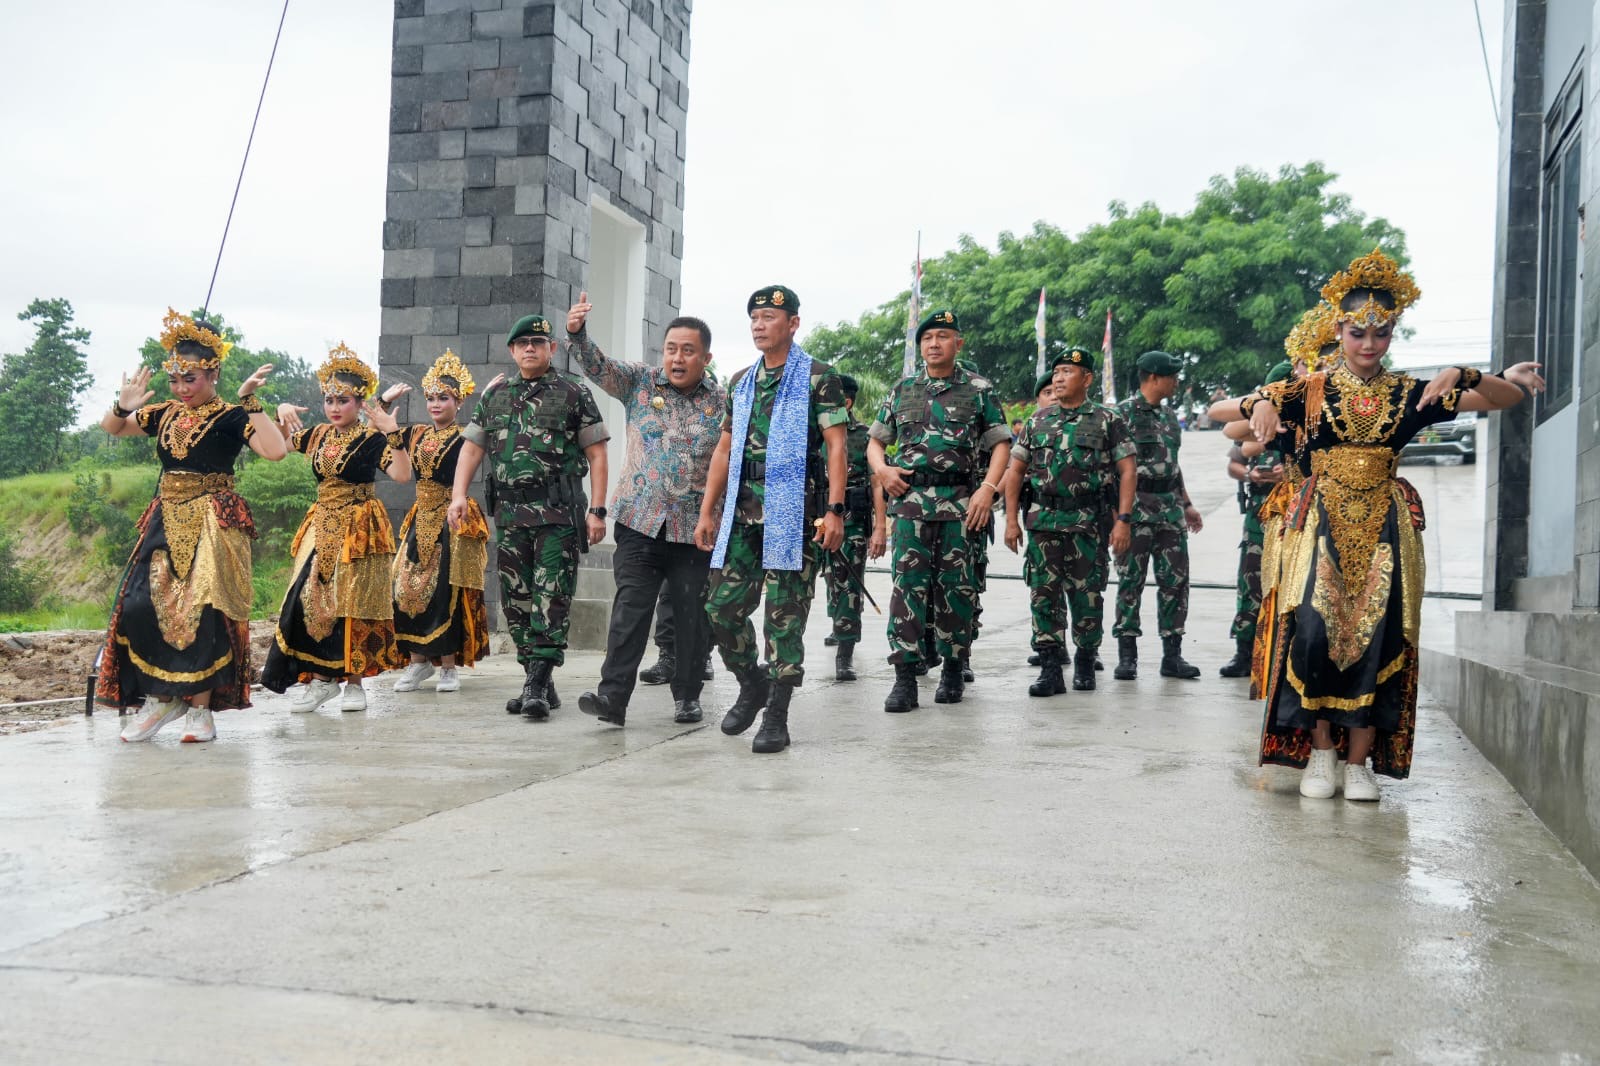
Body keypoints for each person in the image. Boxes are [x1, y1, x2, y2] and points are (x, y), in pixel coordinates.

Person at [1213, 248, 1543, 800]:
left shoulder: (1411, 393)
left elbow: (1505, 400)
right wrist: (1259, 399)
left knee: (1381, 637)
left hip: (1386, 526)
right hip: (1319, 522)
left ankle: (1359, 763)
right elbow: (1222, 415)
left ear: (1392, 333)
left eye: (1381, 333)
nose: (1368, 345)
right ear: (1339, 330)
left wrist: (1467, 372)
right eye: (1358, 332)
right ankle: (1322, 754)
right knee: (1314, 635)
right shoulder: (1309, 390)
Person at [97, 310, 288, 742]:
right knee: (141, 605)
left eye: (192, 379)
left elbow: (275, 451)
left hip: (213, 519)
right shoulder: (163, 413)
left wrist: (251, 400)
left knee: (202, 611)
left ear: (213, 372)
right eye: (176, 380)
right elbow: (114, 428)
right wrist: (123, 405)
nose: (182, 389)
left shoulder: (232, 416)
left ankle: (200, 712)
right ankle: (162, 699)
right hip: (165, 515)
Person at [693, 284, 849, 754]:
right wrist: (708, 510)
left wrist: (835, 511)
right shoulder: (741, 381)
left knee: (784, 620)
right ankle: (751, 683)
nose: (760, 325)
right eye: (754, 318)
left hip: (795, 516)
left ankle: (777, 716)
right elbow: (724, 447)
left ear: (793, 324)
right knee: (720, 608)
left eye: (770, 317)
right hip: (742, 515)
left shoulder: (820, 378)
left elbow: (838, 446)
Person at [564, 292, 725, 727]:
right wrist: (577, 333)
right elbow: (599, 366)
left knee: (691, 617)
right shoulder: (639, 382)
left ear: (705, 357)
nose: (677, 358)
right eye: (671, 349)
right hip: (639, 521)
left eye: (687, 351)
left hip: (695, 529)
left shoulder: (723, 402)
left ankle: (687, 696)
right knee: (629, 613)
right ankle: (611, 699)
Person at [449, 313, 609, 720]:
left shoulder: (573, 393)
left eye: (538, 342)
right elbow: (471, 449)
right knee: (518, 601)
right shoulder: (496, 395)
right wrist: (457, 496)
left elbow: (597, 453)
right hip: (512, 514)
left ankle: (536, 683)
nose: (530, 349)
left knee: (551, 596)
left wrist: (598, 510)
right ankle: (538, 677)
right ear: (512, 351)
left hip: (558, 514)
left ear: (552, 348)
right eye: (523, 344)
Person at [868, 309, 1011, 711]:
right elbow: (876, 442)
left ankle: (952, 667)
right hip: (911, 505)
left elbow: (1001, 444)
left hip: (961, 506)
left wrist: (987, 489)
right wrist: (883, 469)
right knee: (906, 591)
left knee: (957, 590)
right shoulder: (903, 389)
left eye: (943, 336)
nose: (934, 344)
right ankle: (905, 678)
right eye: (927, 337)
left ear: (958, 343)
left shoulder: (978, 389)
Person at [261, 344, 411, 711]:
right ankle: (320, 679)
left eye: (342, 400)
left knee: (354, 601)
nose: (334, 407)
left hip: (360, 526)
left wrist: (394, 433)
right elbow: (274, 446)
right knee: (307, 598)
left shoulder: (373, 438)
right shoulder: (316, 435)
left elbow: (403, 475)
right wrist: (279, 415)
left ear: (360, 403)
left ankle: (355, 683)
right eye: (329, 399)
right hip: (321, 522)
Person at [1004, 348, 1135, 695]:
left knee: (1087, 595)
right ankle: (1050, 668)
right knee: (1042, 595)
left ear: (1087, 379)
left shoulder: (1107, 420)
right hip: (1044, 521)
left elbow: (1127, 470)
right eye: (1057, 372)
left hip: (1087, 522)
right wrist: (1011, 521)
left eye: (1068, 372)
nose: (1059, 379)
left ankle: (1086, 661)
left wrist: (1123, 520)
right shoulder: (1037, 422)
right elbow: (1015, 471)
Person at [386, 349, 491, 694]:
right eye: (430, 398)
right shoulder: (415, 434)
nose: (434, 404)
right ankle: (417, 664)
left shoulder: (466, 436)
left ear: (458, 401)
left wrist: (488, 399)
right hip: (420, 519)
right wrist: (382, 401)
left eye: (442, 398)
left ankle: (448, 667)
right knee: (404, 588)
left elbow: (484, 431)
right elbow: (379, 430)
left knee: (446, 591)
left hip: (452, 516)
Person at [1112, 351, 1204, 681]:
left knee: (1175, 582)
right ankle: (1127, 656)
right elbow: (1113, 469)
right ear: (1153, 377)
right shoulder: (1121, 414)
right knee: (1130, 581)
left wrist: (1187, 503)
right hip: (1135, 510)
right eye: (1171, 376)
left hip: (1169, 509)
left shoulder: (1168, 416)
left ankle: (1172, 655)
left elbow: (1173, 465)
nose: (1176, 382)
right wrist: (1117, 518)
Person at [1216, 361, 1292, 679]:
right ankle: (1244, 652)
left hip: (1296, 517)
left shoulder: (1311, 423)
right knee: (1251, 583)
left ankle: (1287, 653)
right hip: (1259, 516)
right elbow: (1235, 457)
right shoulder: (1256, 423)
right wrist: (1251, 472)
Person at [821, 373, 888, 681]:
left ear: (845, 403)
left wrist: (880, 527)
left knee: (849, 586)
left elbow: (877, 484)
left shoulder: (863, 436)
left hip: (852, 520)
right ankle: (838, 624)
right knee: (832, 581)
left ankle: (844, 653)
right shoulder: (813, 432)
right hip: (817, 515)